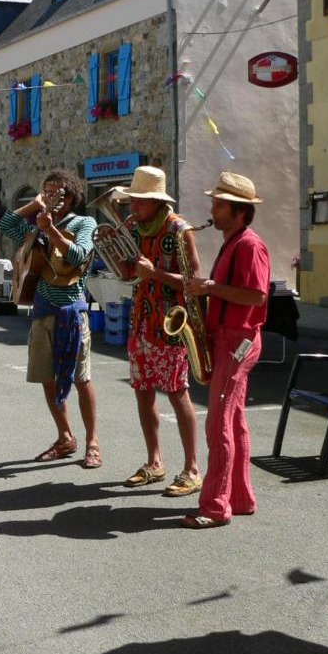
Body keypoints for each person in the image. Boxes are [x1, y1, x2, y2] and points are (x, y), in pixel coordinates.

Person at [0, 168, 103, 469]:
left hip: (71, 312)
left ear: (68, 197)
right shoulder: (37, 226)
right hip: (42, 310)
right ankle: (65, 437)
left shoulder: (85, 222)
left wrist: (52, 230)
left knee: (81, 378)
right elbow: (4, 224)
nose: (47, 197)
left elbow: (78, 256)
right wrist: (33, 206)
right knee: (47, 378)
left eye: (53, 192)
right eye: (45, 192)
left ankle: (93, 442)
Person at [181, 171, 271, 529]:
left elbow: (257, 296)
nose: (212, 211)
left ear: (238, 211)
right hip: (229, 337)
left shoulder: (249, 245)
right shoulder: (235, 240)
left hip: (238, 339)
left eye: (218, 206)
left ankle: (215, 506)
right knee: (234, 421)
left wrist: (210, 288)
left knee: (218, 421)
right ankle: (241, 498)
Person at [115, 167, 203, 497]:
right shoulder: (134, 228)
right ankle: (155, 462)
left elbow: (195, 283)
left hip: (171, 325)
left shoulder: (180, 230)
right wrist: (125, 267)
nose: (131, 207)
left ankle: (192, 468)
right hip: (140, 321)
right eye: (132, 201)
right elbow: (130, 276)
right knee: (142, 391)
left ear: (155, 200)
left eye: (138, 201)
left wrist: (155, 274)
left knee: (178, 393)